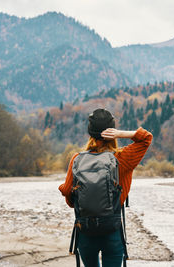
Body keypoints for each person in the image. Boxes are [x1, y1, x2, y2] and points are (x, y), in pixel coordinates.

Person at [59, 108, 152, 267]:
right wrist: (121, 134)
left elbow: (68, 193)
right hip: (112, 231)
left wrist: (71, 193)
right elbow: (146, 138)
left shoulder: (77, 159)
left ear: (90, 132)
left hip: (85, 232)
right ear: (112, 130)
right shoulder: (122, 158)